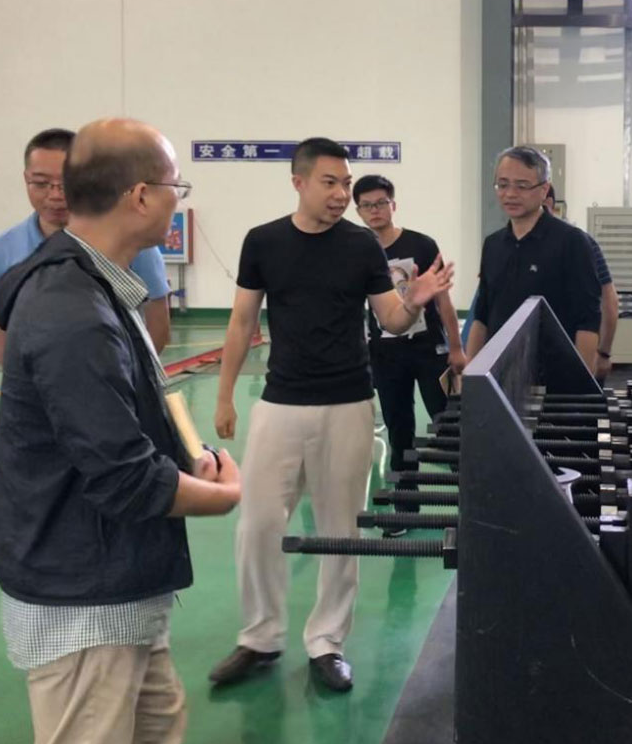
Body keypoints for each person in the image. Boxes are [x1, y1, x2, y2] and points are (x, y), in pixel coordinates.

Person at [0, 117, 242, 744]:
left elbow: (121, 418)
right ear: (141, 196)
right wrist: (221, 497)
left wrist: (187, 457)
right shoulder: (73, 311)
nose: (178, 199)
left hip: (116, 580)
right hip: (83, 597)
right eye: (176, 186)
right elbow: (124, 478)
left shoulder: (97, 285)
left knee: (156, 726)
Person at [209, 138, 454, 693]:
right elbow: (242, 321)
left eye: (345, 183)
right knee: (258, 523)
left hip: (348, 403)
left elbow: (390, 320)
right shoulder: (263, 241)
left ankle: (327, 641)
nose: (342, 193)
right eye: (330, 183)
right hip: (280, 402)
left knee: (340, 528)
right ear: (298, 182)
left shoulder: (361, 245)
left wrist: (415, 298)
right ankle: (260, 636)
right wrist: (224, 396)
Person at [0, 128, 172, 363]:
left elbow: (157, 329)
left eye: (66, 183)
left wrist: (119, 374)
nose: (55, 195)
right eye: (41, 183)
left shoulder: (133, 244)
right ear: (26, 179)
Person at [352, 174, 465, 534]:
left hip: (429, 350)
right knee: (399, 430)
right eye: (367, 205)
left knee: (448, 425)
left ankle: (472, 502)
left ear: (393, 205)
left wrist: (456, 347)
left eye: (381, 203)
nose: (375, 210)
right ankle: (405, 508)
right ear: (358, 211)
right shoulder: (358, 251)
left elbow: (443, 300)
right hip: (386, 355)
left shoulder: (422, 244)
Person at [465, 146, 602, 377]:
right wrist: (471, 374)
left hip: (556, 377)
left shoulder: (572, 242)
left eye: (522, 186)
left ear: (544, 189)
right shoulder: (493, 244)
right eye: (503, 185)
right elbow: (482, 317)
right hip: (501, 375)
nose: (510, 194)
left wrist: (582, 383)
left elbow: (588, 320)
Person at [543, 185, 620, 383]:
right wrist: (603, 354)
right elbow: (610, 302)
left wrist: (602, 354)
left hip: (565, 366)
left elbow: (609, 302)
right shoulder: (501, 244)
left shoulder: (578, 243)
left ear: (547, 201)